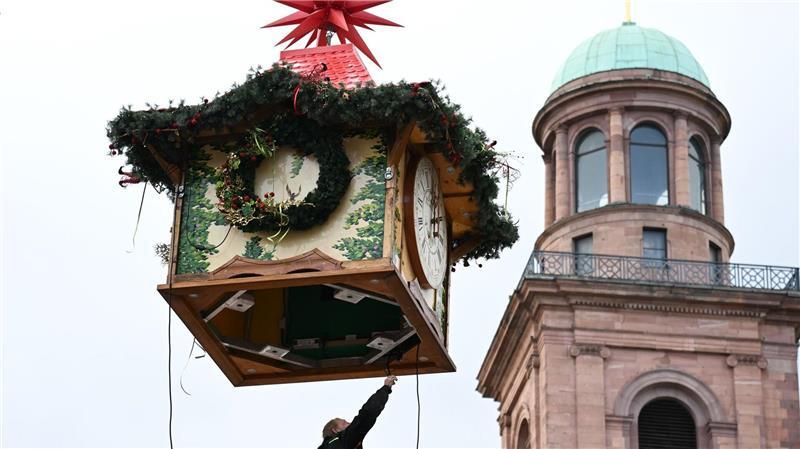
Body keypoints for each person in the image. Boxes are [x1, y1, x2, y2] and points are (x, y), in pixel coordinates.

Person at [318, 375, 398, 449]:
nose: (349, 424)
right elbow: (366, 414)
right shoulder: (344, 439)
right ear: (335, 430)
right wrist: (386, 387)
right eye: (344, 423)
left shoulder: (326, 446)